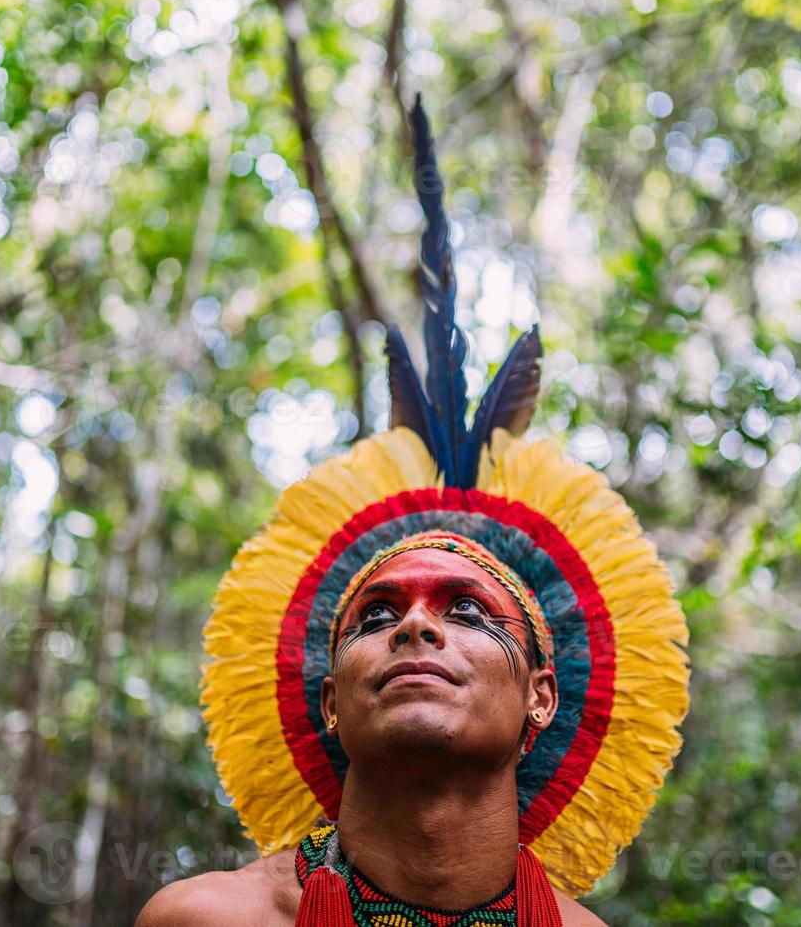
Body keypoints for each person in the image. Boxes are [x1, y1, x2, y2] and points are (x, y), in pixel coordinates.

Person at [138, 98, 690, 926]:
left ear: (543, 696)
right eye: (375, 615)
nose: (415, 627)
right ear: (328, 704)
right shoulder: (208, 919)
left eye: (466, 608)